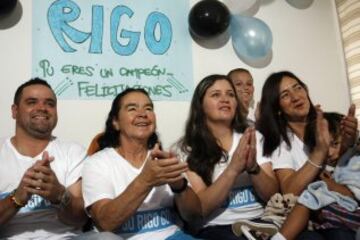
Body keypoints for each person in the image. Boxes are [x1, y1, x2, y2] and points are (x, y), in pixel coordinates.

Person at [82, 88, 202, 240]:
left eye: (148, 108)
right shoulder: (97, 163)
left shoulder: (164, 158)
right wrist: (145, 180)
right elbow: (105, 223)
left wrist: (179, 185)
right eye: (132, 108)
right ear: (115, 122)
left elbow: (195, 215)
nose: (142, 114)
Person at [174, 74, 279, 240]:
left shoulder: (253, 136)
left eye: (230, 94)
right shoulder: (186, 149)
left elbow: (273, 196)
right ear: (200, 105)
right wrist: (233, 169)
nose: (225, 99)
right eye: (216, 95)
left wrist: (253, 169)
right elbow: (200, 209)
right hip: (218, 227)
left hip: (261, 221)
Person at [256, 71, 358, 239]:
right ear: (277, 108)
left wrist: (351, 142)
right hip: (314, 216)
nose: (296, 96)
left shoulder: (328, 122)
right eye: (285, 95)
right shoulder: (281, 144)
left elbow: (348, 168)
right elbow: (289, 190)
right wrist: (319, 153)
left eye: (298, 88)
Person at [0, 78, 87, 239]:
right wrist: (16, 198)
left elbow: (80, 220)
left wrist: (60, 195)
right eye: (32, 102)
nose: (42, 108)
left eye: (50, 103)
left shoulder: (72, 152)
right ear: (15, 111)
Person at [272, 112, 359, 240]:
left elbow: (352, 190)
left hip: (352, 213)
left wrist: (328, 184)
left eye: (335, 143)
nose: (329, 153)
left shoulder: (352, 157)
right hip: (334, 220)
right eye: (324, 146)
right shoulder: (319, 168)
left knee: (310, 195)